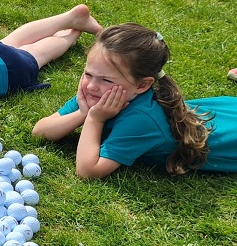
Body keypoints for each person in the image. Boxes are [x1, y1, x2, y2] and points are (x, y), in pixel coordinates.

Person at [32, 23, 236, 178]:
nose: (92, 85)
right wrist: (81, 113)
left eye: (106, 79)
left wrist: (95, 119)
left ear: (142, 85)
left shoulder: (141, 119)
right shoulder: (98, 93)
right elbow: (40, 132)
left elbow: (87, 171)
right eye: (88, 74)